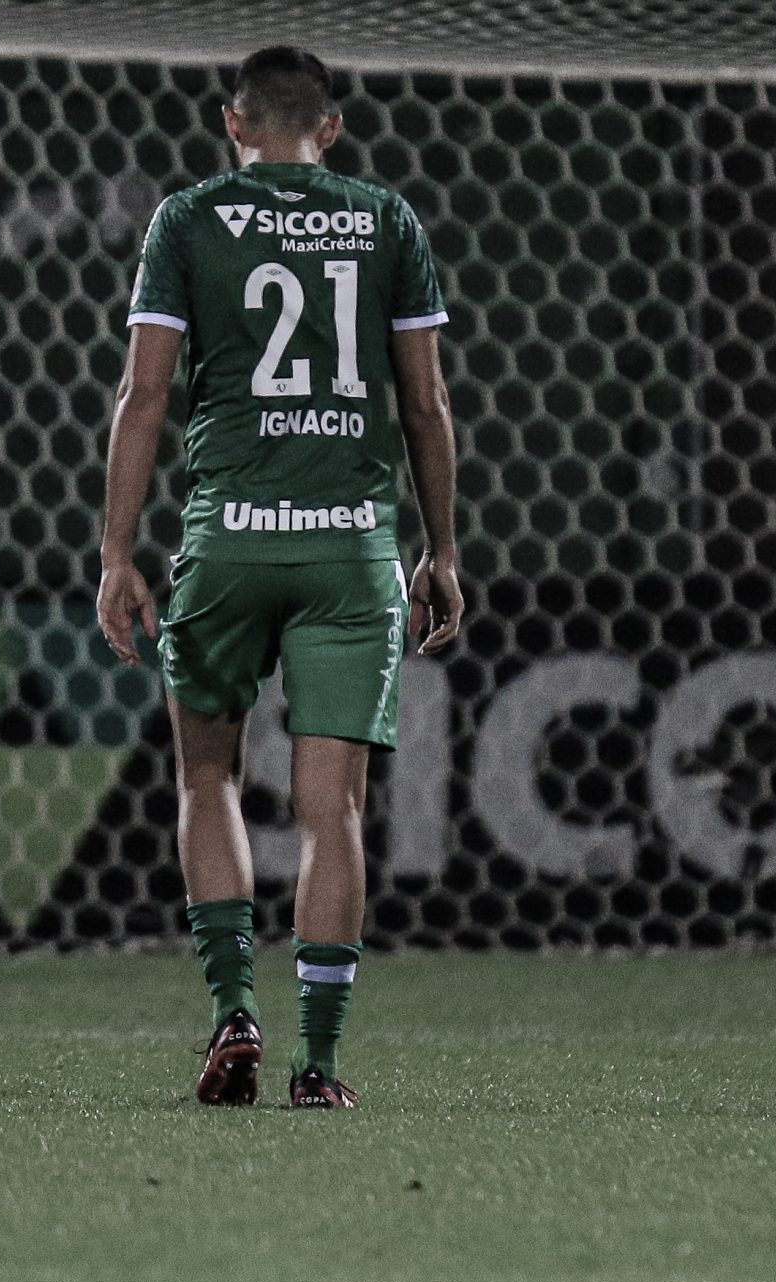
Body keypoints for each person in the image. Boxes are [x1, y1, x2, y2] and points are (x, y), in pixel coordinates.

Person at [96, 44, 464, 1109]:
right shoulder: (385, 220)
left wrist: (118, 552)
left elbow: (144, 392)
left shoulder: (188, 218)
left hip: (228, 541)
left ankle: (231, 1015)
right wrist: (441, 549)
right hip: (352, 545)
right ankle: (319, 1064)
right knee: (330, 808)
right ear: (332, 128)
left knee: (203, 775)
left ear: (234, 124)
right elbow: (426, 405)